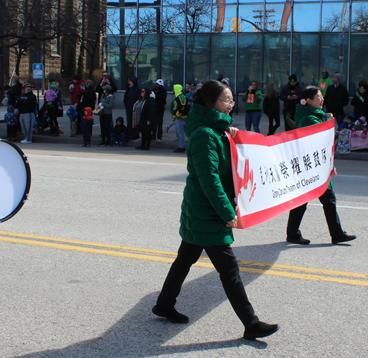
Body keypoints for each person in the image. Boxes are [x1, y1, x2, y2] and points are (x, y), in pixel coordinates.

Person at [152, 80, 278, 340]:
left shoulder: (215, 132)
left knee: (185, 259)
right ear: (211, 103)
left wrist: (230, 137)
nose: (231, 104)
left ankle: (164, 304)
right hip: (206, 212)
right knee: (229, 270)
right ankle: (251, 323)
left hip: (201, 211)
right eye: (226, 100)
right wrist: (227, 213)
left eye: (232, 100)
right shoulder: (204, 136)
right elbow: (210, 180)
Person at [286, 86, 356, 245]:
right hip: (312, 168)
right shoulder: (309, 119)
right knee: (322, 200)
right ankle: (334, 234)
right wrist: (329, 121)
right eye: (318, 96)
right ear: (308, 100)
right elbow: (321, 143)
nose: (322, 99)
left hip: (314, 167)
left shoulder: (313, 116)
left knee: (313, 200)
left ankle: (294, 233)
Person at [172, 84, 189, 153]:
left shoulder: (181, 97)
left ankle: (181, 147)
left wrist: (178, 115)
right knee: (178, 133)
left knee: (180, 133)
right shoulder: (177, 97)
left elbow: (182, 106)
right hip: (177, 118)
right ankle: (181, 146)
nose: (173, 89)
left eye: (173, 88)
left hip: (181, 118)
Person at [124, 76, 142, 142]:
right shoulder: (130, 89)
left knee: (135, 122)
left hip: (134, 109)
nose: (129, 83)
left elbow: (138, 99)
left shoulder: (138, 89)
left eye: (131, 82)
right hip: (129, 108)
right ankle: (129, 134)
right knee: (129, 122)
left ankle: (135, 135)